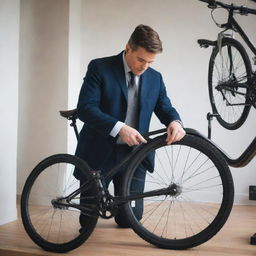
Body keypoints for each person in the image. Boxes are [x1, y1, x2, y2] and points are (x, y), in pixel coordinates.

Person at [74, 24, 186, 228]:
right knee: (88, 220)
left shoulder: (155, 78)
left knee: (129, 220)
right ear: (128, 48)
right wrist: (119, 128)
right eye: (140, 59)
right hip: (99, 152)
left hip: (134, 155)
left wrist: (175, 122)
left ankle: (123, 205)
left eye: (150, 62)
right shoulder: (100, 68)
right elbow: (85, 108)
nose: (144, 66)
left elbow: (165, 107)